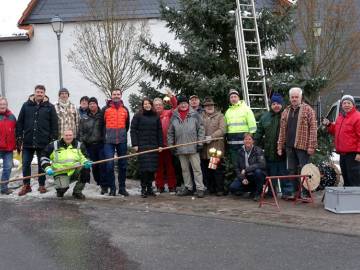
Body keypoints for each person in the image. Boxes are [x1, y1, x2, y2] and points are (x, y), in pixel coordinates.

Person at [16, 85, 58, 196]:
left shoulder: (50, 107)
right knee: (25, 164)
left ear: (44, 94)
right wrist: (19, 136)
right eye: (37, 92)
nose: (39, 94)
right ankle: (26, 185)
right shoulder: (26, 106)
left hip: (43, 142)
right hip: (28, 141)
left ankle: (41, 184)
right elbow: (20, 122)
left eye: (41, 92)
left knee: (42, 164)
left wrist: (53, 139)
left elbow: (54, 125)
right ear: (34, 93)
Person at [277, 87, 317, 198]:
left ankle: (306, 193)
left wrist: (312, 145)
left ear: (301, 97)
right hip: (289, 146)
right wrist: (280, 146)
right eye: (292, 97)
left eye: (296, 97)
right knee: (292, 170)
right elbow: (282, 130)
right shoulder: (286, 111)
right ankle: (296, 192)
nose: (294, 99)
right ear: (290, 98)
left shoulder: (308, 110)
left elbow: (313, 129)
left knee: (305, 170)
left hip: (303, 146)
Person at [167, 95, 206, 198]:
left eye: (185, 103)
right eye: (181, 103)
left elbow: (201, 129)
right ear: (178, 105)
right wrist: (171, 146)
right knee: (184, 169)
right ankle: (188, 187)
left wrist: (200, 143)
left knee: (197, 169)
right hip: (180, 147)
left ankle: (200, 188)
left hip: (193, 147)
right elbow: (170, 132)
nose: (183, 105)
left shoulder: (195, 115)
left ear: (187, 104)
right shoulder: (174, 116)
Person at [255, 93, 289, 199]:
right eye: (274, 103)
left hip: (283, 152)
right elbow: (259, 132)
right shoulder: (265, 117)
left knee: (284, 173)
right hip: (269, 152)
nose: (276, 106)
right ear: (271, 105)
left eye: (278, 103)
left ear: (282, 104)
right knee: (271, 173)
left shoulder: (286, 115)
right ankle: (271, 192)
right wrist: (255, 144)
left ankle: (287, 193)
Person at [40, 129, 92, 199]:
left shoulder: (79, 145)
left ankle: (77, 192)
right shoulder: (54, 145)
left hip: (74, 170)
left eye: (70, 135)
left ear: (73, 136)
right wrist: (47, 168)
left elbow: (84, 157)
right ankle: (60, 189)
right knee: (62, 189)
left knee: (85, 169)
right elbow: (44, 157)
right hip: (60, 172)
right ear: (62, 136)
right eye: (66, 135)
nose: (68, 137)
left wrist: (86, 162)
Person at [323, 95, 360, 186]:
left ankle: (355, 199)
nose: (346, 105)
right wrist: (329, 125)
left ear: (353, 105)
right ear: (342, 105)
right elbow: (336, 131)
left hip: (353, 155)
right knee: (346, 179)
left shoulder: (357, 117)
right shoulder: (341, 117)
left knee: (354, 180)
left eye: (349, 103)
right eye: (344, 103)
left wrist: (359, 153)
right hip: (343, 154)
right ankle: (347, 199)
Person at [131, 98, 163, 198]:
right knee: (144, 169)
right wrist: (135, 144)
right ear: (142, 105)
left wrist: (160, 145)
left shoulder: (156, 116)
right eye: (145, 104)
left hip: (153, 145)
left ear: (151, 105)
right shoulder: (138, 116)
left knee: (152, 169)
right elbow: (133, 130)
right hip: (142, 146)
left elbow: (159, 131)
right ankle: (143, 189)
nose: (147, 105)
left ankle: (150, 189)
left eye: (149, 103)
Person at [103, 89, 130, 196]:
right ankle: (112, 188)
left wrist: (122, 134)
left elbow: (127, 125)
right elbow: (102, 124)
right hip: (109, 141)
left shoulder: (125, 109)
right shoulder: (105, 109)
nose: (116, 96)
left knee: (123, 165)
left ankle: (122, 188)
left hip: (122, 140)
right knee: (109, 165)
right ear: (111, 95)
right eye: (114, 94)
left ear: (121, 95)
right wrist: (104, 137)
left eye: (118, 94)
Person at [224, 89, 257, 169]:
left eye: (235, 96)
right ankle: (239, 179)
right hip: (232, 142)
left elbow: (252, 124)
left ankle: (248, 180)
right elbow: (225, 127)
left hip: (244, 140)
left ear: (238, 98)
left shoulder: (246, 109)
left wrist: (251, 136)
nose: (233, 99)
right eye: (231, 97)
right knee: (236, 163)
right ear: (229, 99)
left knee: (247, 162)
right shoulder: (228, 112)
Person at [79, 97, 106, 193]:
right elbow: (81, 131)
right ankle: (98, 183)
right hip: (89, 145)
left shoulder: (102, 115)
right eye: (90, 104)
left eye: (94, 103)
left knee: (102, 165)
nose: (92, 105)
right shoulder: (84, 117)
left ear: (97, 104)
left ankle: (103, 185)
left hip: (101, 144)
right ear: (88, 106)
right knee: (94, 166)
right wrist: (83, 143)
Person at [229, 133, 266, 201]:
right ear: (243, 141)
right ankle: (252, 189)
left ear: (253, 141)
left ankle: (258, 193)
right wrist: (242, 178)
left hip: (255, 175)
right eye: (246, 139)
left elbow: (262, 164)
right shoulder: (239, 151)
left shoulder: (258, 150)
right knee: (233, 188)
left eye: (249, 139)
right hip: (245, 176)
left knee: (258, 172)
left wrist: (246, 169)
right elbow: (236, 168)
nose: (247, 141)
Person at [153, 89, 177, 192]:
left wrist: (171, 97)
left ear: (163, 105)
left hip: (167, 144)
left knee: (169, 166)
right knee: (158, 167)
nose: (158, 106)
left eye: (160, 104)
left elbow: (175, 107)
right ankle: (160, 185)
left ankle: (172, 185)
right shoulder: (152, 116)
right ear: (153, 106)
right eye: (156, 105)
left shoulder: (168, 113)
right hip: (156, 146)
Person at [200, 97, 226, 196]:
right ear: (204, 107)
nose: (209, 107)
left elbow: (222, 130)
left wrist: (211, 137)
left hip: (215, 148)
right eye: (207, 106)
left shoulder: (220, 116)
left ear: (214, 106)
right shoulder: (200, 117)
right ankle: (211, 188)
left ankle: (220, 189)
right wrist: (202, 138)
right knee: (207, 170)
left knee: (216, 169)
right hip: (204, 149)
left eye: (211, 105)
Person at [0, 97, 16, 195]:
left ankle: (4, 187)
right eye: (0, 104)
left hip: (8, 148)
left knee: (8, 167)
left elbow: (16, 130)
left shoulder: (12, 116)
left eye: (4, 104)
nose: (2, 106)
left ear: (7, 105)